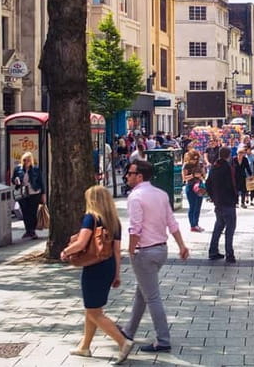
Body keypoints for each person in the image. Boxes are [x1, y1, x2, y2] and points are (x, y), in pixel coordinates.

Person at [121, 160, 190, 353]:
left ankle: (163, 339)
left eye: (130, 172)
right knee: (142, 292)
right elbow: (172, 222)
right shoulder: (161, 194)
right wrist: (182, 245)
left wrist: (131, 250)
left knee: (151, 296)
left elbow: (135, 227)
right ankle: (128, 331)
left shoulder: (135, 197)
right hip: (161, 250)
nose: (127, 175)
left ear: (140, 176)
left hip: (145, 251)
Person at [60, 185, 133, 364]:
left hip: (93, 267)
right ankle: (84, 347)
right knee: (93, 309)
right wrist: (117, 274)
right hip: (107, 266)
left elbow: (82, 242)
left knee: (94, 311)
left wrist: (65, 252)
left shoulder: (91, 218)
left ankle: (122, 342)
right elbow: (117, 251)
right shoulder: (115, 221)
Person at [206, 147, 238, 263]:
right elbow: (232, 184)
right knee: (230, 228)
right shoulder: (228, 168)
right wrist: (235, 197)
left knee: (218, 226)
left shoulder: (214, 167)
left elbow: (208, 183)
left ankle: (213, 251)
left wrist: (213, 197)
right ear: (229, 155)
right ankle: (229, 253)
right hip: (228, 202)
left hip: (218, 202)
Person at [12, 151, 45, 239]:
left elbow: (41, 182)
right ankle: (28, 230)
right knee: (25, 213)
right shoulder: (18, 169)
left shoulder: (36, 169)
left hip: (34, 193)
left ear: (31, 161)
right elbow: (13, 180)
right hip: (23, 194)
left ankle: (32, 231)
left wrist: (43, 194)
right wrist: (15, 181)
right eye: (25, 160)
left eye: (28, 160)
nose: (26, 162)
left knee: (33, 213)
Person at [182, 149, 206, 232]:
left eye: (196, 159)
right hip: (190, 185)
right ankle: (192, 225)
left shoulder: (200, 164)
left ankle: (196, 224)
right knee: (192, 206)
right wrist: (193, 175)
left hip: (199, 186)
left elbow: (204, 175)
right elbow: (184, 178)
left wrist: (201, 176)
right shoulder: (186, 165)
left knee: (198, 206)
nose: (195, 161)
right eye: (193, 159)